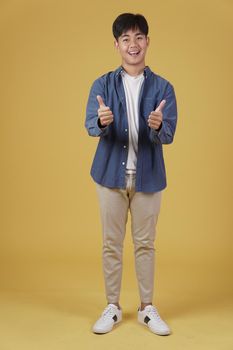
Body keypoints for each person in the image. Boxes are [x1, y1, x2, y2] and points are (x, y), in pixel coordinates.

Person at [85, 13, 178, 335]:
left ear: (147, 41)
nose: (133, 44)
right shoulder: (102, 85)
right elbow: (89, 126)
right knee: (111, 243)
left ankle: (146, 308)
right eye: (126, 38)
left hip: (148, 178)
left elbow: (169, 135)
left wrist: (158, 127)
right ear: (116, 45)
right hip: (109, 176)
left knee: (145, 244)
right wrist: (102, 122)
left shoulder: (164, 87)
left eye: (139, 37)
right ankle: (112, 306)